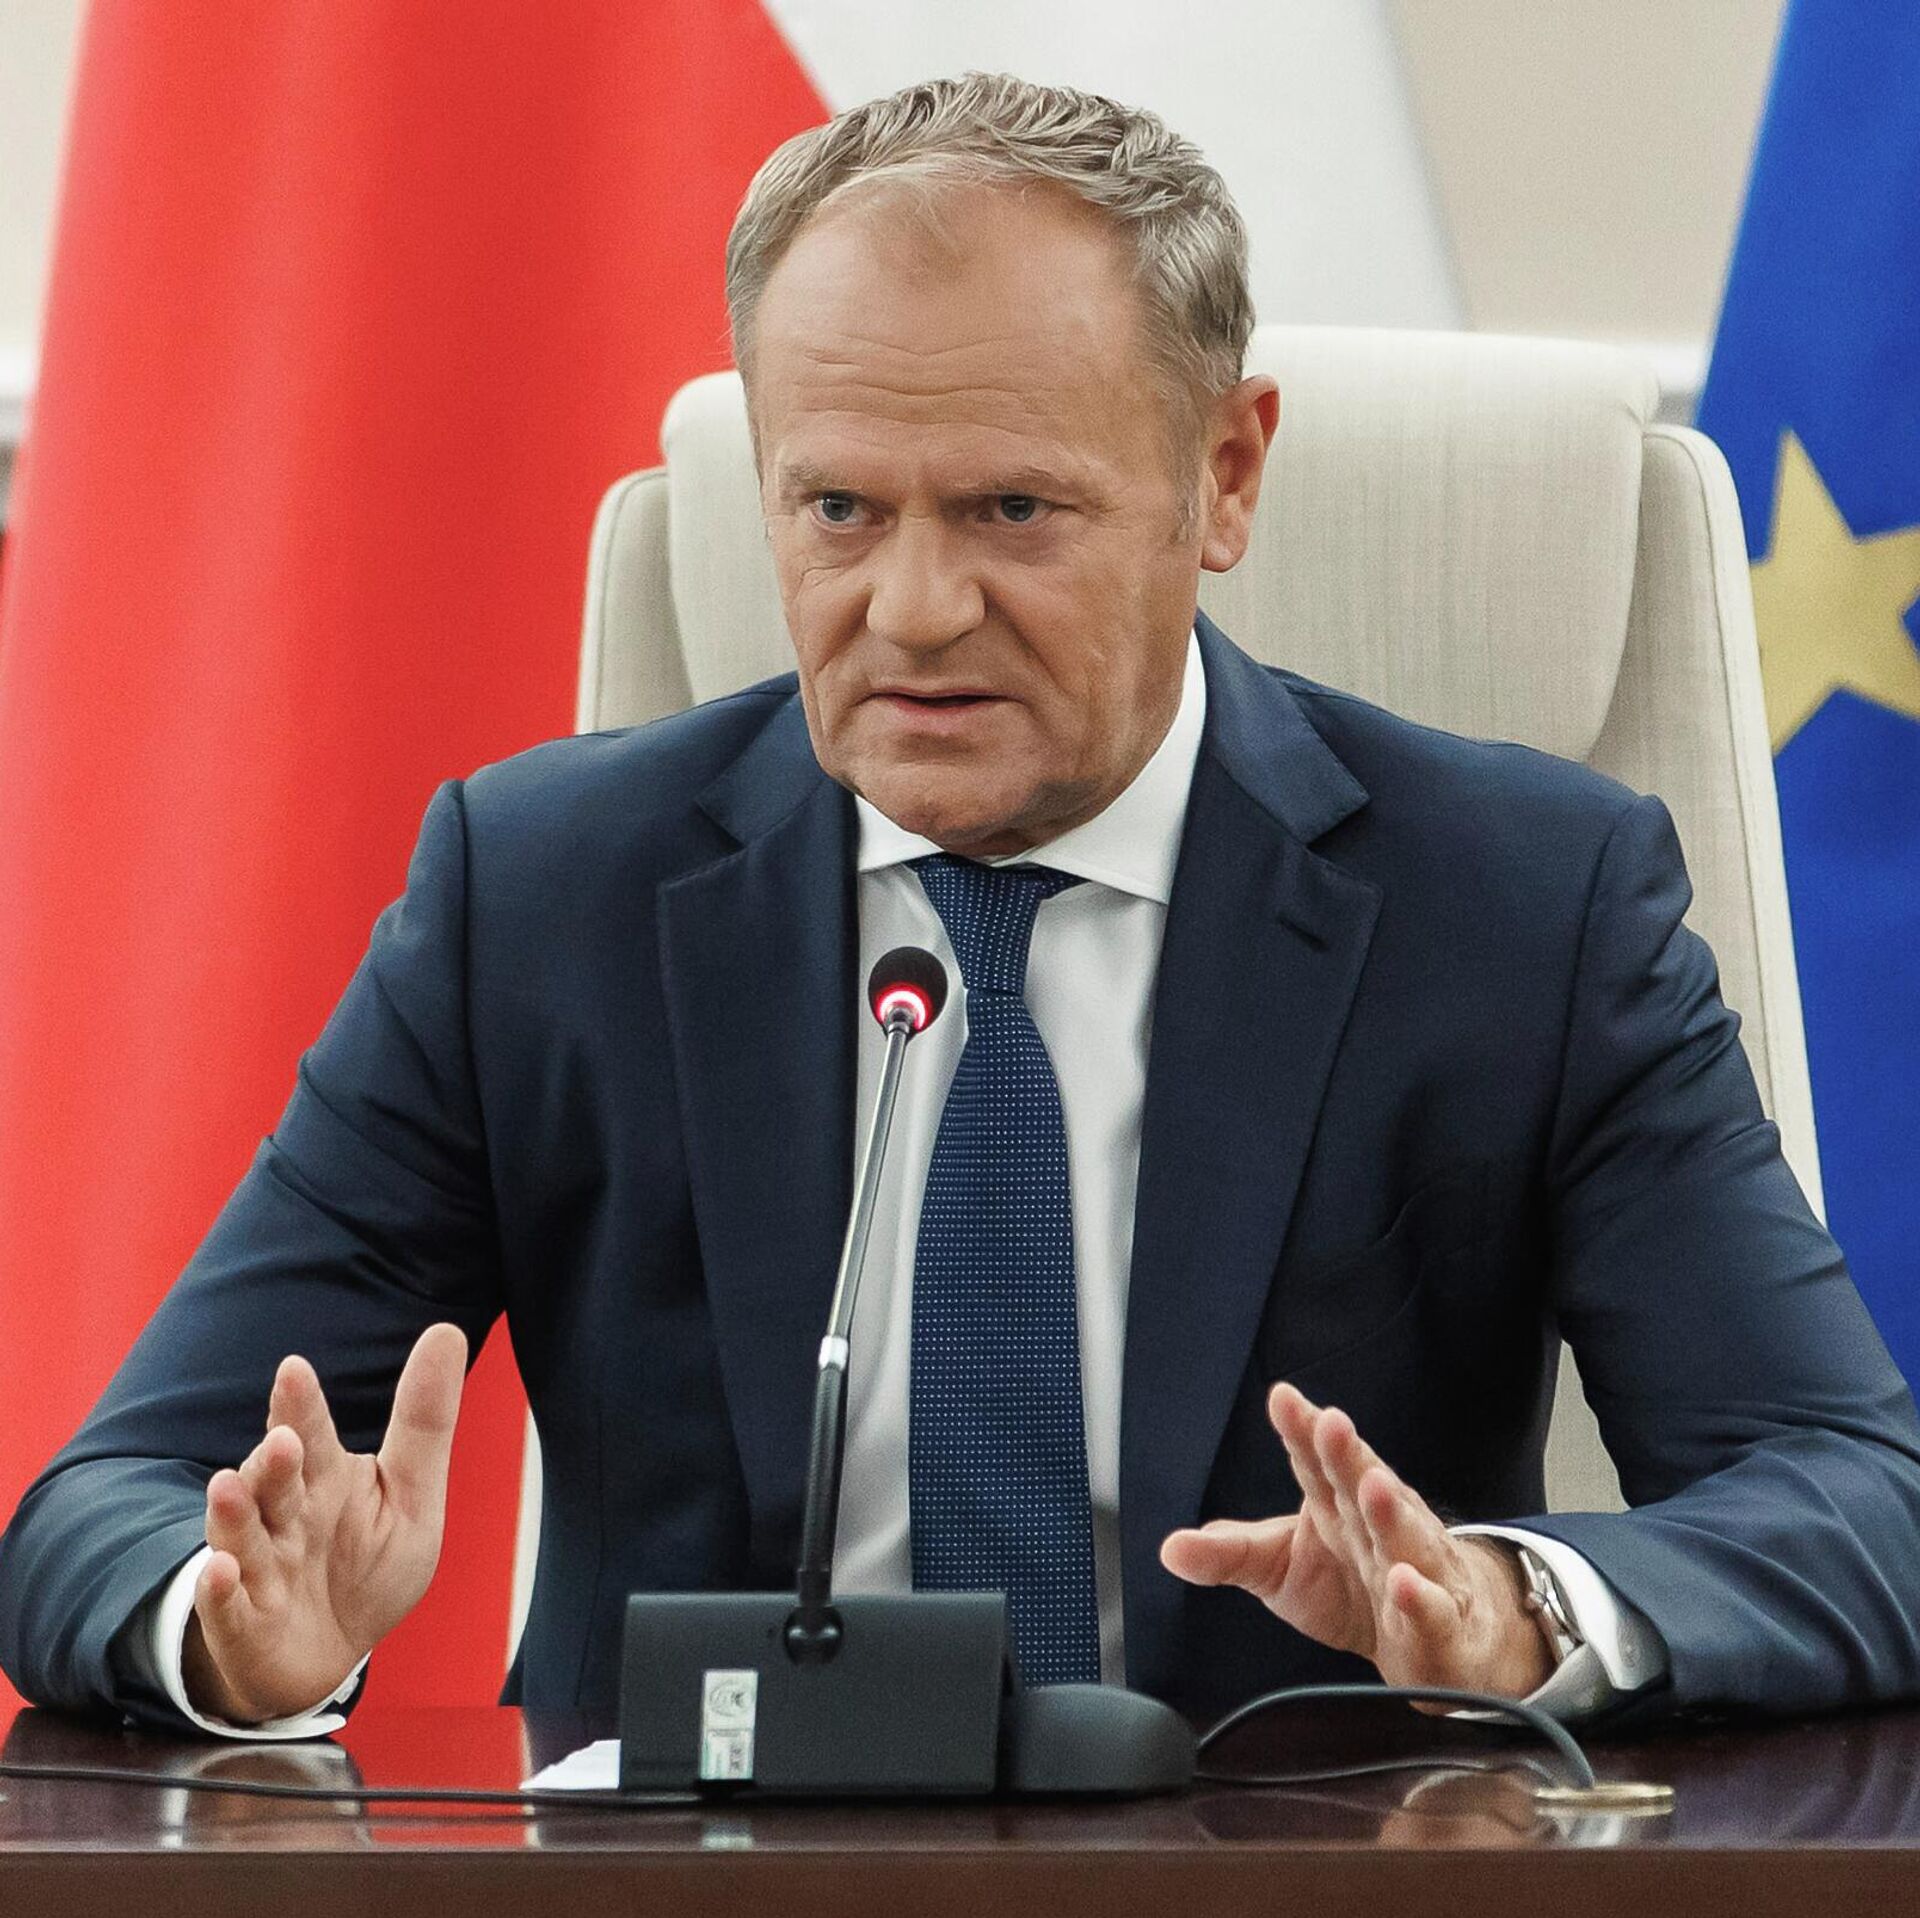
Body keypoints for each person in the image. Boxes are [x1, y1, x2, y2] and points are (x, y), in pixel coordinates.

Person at [3, 73, 1918, 1739]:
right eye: (840, 510)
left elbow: (1861, 1502)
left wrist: (1511, 1608)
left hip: (1288, 1880)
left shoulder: (1518, 905)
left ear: (1223, 474)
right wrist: (231, 1630)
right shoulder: (544, 897)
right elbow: (105, 1502)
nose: (913, 611)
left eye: (1012, 511)